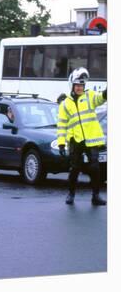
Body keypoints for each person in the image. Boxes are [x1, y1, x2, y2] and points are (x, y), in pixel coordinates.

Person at [57, 67, 107, 205]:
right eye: (77, 85)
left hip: (91, 140)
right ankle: (71, 194)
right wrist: (61, 143)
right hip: (75, 140)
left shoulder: (90, 96)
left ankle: (96, 196)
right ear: (72, 85)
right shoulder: (65, 104)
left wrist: (108, 91)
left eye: (82, 85)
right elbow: (62, 125)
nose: (80, 88)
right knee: (75, 169)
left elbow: (101, 98)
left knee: (95, 168)